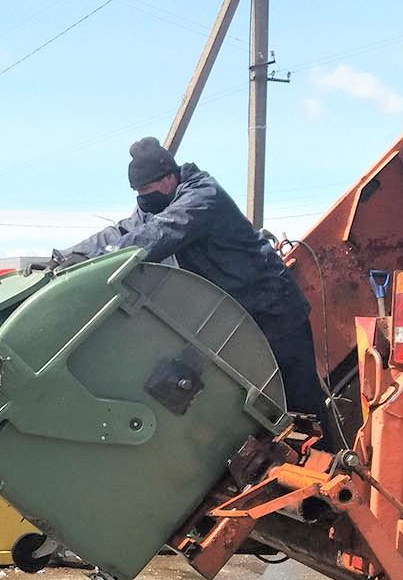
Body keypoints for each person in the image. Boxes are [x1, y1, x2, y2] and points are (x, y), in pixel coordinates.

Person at [53, 136, 329, 435]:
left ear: (169, 178)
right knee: (257, 408)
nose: (142, 198)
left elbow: (161, 232)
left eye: (146, 190)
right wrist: (69, 257)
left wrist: (106, 257)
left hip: (274, 310)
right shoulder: (159, 201)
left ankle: (334, 465)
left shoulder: (202, 197)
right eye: (137, 192)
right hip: (237, 321)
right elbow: (122, 230)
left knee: (302, 403)